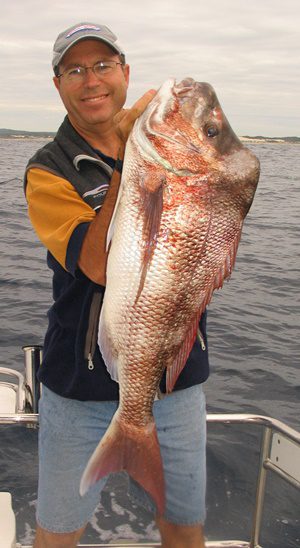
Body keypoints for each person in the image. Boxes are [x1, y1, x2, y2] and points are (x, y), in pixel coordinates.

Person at [24, 22, 210, 548]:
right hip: (77, 390)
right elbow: (95, 265)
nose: (92, 80)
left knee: (183, 527)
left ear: (125, 73)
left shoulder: (175, 149)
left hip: (174, 381)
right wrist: (137, 160)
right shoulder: (47, 171)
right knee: (58, 533)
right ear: (58, 84)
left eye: (103, 65)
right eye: (75, 70)